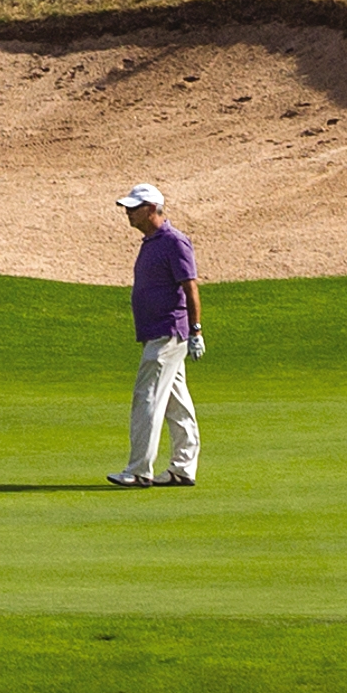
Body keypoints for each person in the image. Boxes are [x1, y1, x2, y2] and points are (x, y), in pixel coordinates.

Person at [110, 185, 201, 487]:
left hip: (169, 332)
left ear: (151, 209)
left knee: (146, 397)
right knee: (176, 402)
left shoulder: (175, 242)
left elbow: (190, 288)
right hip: (157, 333)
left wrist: (196, 330)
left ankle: (138, 470)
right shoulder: (150, 242)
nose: (127, 213)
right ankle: (183, 467)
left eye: (133, 208)